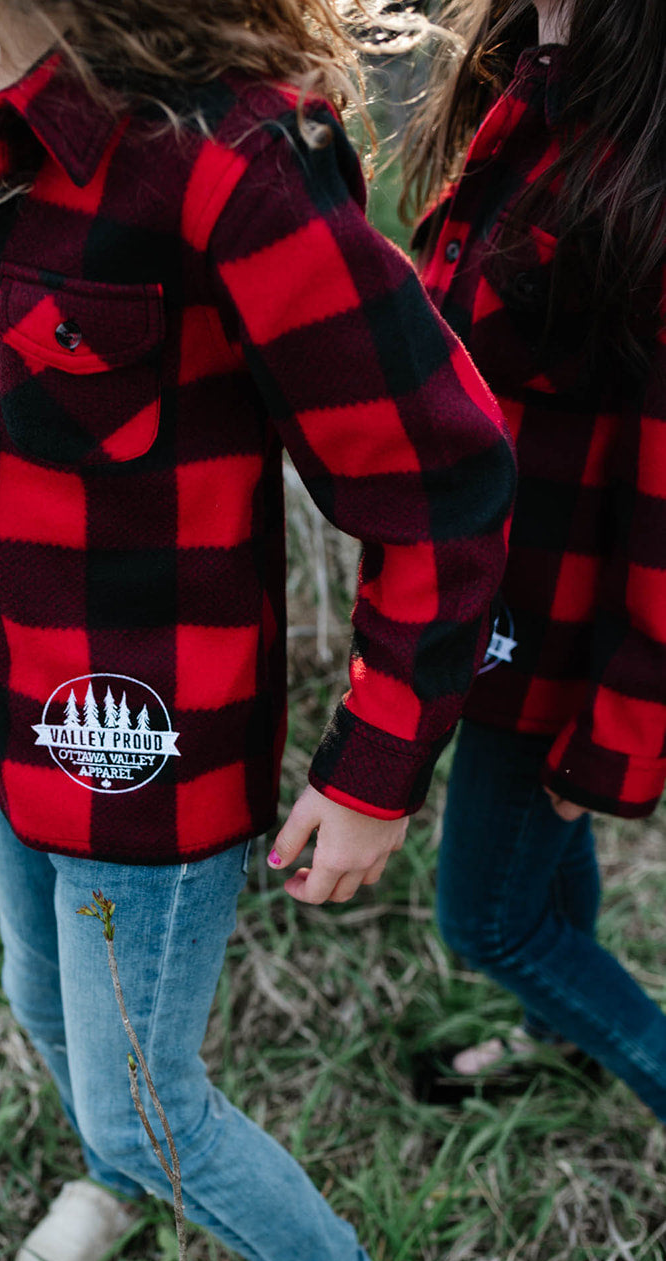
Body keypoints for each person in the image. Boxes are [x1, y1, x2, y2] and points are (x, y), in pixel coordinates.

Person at [0, 0, 515, 1261]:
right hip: (0, 692)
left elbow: (438, 478)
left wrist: (379, 763)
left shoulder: (231, 159)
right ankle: (119, 1175)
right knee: (37, 994)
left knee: (145, 1094)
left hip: (148, 739)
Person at [404, 0, 666, 1118]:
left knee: (491, 917)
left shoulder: (640, 163)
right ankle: (562, 1040)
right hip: (494, 596)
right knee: (535, 865)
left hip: (558, 637)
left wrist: (611, 738)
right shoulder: (530, 77)